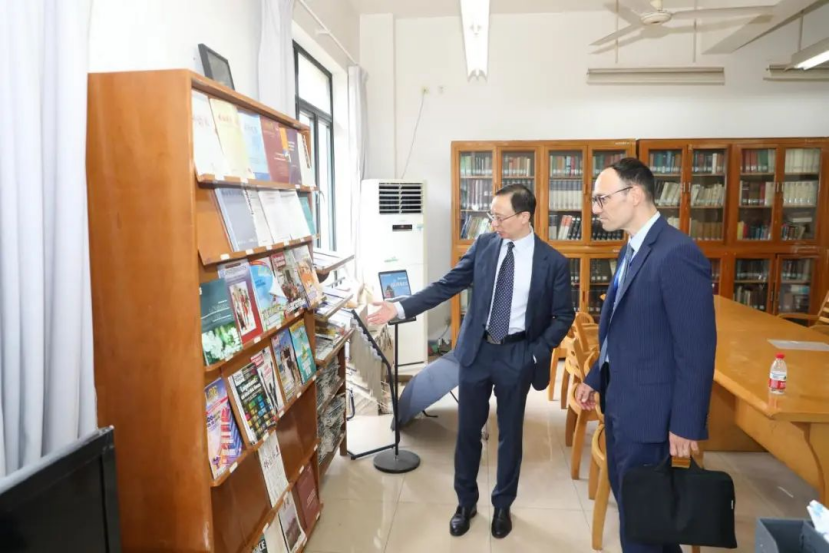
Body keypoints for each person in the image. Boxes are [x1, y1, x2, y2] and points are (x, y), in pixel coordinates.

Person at [368, 184, 574, 539]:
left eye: (500, 217)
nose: (493, 223)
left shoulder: (552, 262)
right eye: (491, 215)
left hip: (517, 354)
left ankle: (503, 505)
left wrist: (534, 352)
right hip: (477, 352)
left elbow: (563, 315)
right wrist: (400, 308)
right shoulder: (484, 245)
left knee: (510, 436)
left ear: (524, 217)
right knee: (467, 433)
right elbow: (446, 285)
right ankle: (465, 503)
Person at [576, 158, 717, 553]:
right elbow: (622, 327)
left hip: (651, 417)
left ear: (635, 195)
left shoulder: (677, 253)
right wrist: (595, 376)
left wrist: (686, 424)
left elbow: (696, 349)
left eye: (602, 199)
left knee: (643, 529)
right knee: (645, 523)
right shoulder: (633, 247)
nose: (596, 209)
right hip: (623, 404)